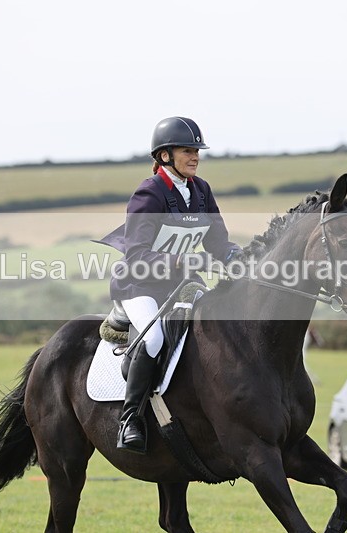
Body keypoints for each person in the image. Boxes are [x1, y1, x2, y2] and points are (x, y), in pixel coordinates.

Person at [99, 116, 243, 454]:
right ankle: (130, 419)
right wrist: (181, 262)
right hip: (140, 286)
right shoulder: (149, 193)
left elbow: (218, 244)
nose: (195, 157)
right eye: (187, 151)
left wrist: (239, 257)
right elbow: (136, 255)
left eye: (197, 151)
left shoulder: (201, 191)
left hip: (180, 286)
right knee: (153, 337)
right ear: (165, 156)